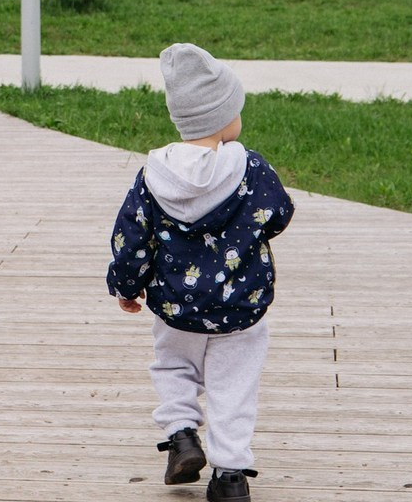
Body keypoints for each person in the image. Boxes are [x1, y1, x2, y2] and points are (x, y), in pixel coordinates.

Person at [107, 43, 295, 501]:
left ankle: (182, 435)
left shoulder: (154, 175)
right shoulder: (249, 168)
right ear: (221, 118)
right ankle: (229, 478)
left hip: (175, 307)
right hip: (240, 309)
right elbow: (280, 214)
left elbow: (132, 237)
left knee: (172, 364)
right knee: (233, 386)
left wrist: (126, 286)